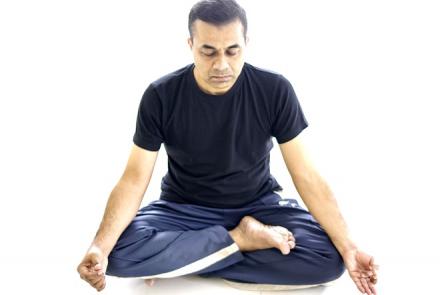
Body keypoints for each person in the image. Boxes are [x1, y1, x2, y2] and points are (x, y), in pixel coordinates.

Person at [77, 0, 378, 294]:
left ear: (246, 43)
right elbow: (133, 179)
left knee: (328, 260)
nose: (221, 64)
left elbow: (307, 176)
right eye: (208, 51)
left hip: (260, 207)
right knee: (116, 254)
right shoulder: (161, 95)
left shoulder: (275, 90)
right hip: (183, 210)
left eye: (232, 51)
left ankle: (186, 258)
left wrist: (350, 248)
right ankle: (240, 239)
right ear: (190, 44)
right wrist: (99, 248)